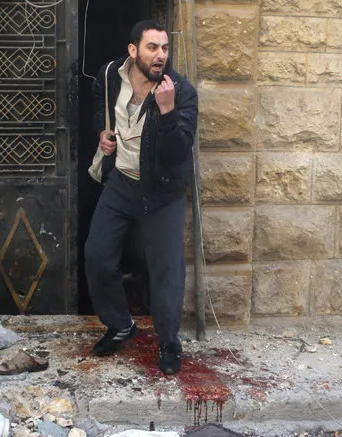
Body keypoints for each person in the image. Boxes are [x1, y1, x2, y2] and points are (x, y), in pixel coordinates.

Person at [85, 20, 198, 374]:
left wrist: (166, 112)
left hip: (163, 190)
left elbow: (179, 152)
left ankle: (168, 343)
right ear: (133, 51)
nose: (160, 55)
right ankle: (121, 324)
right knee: (97, 255)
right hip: (121, 182)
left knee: (166, 271)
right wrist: (102, 135)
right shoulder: (109, 75)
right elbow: (98, 109)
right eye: (152, 47)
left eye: (164, 48)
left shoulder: (180, 91)